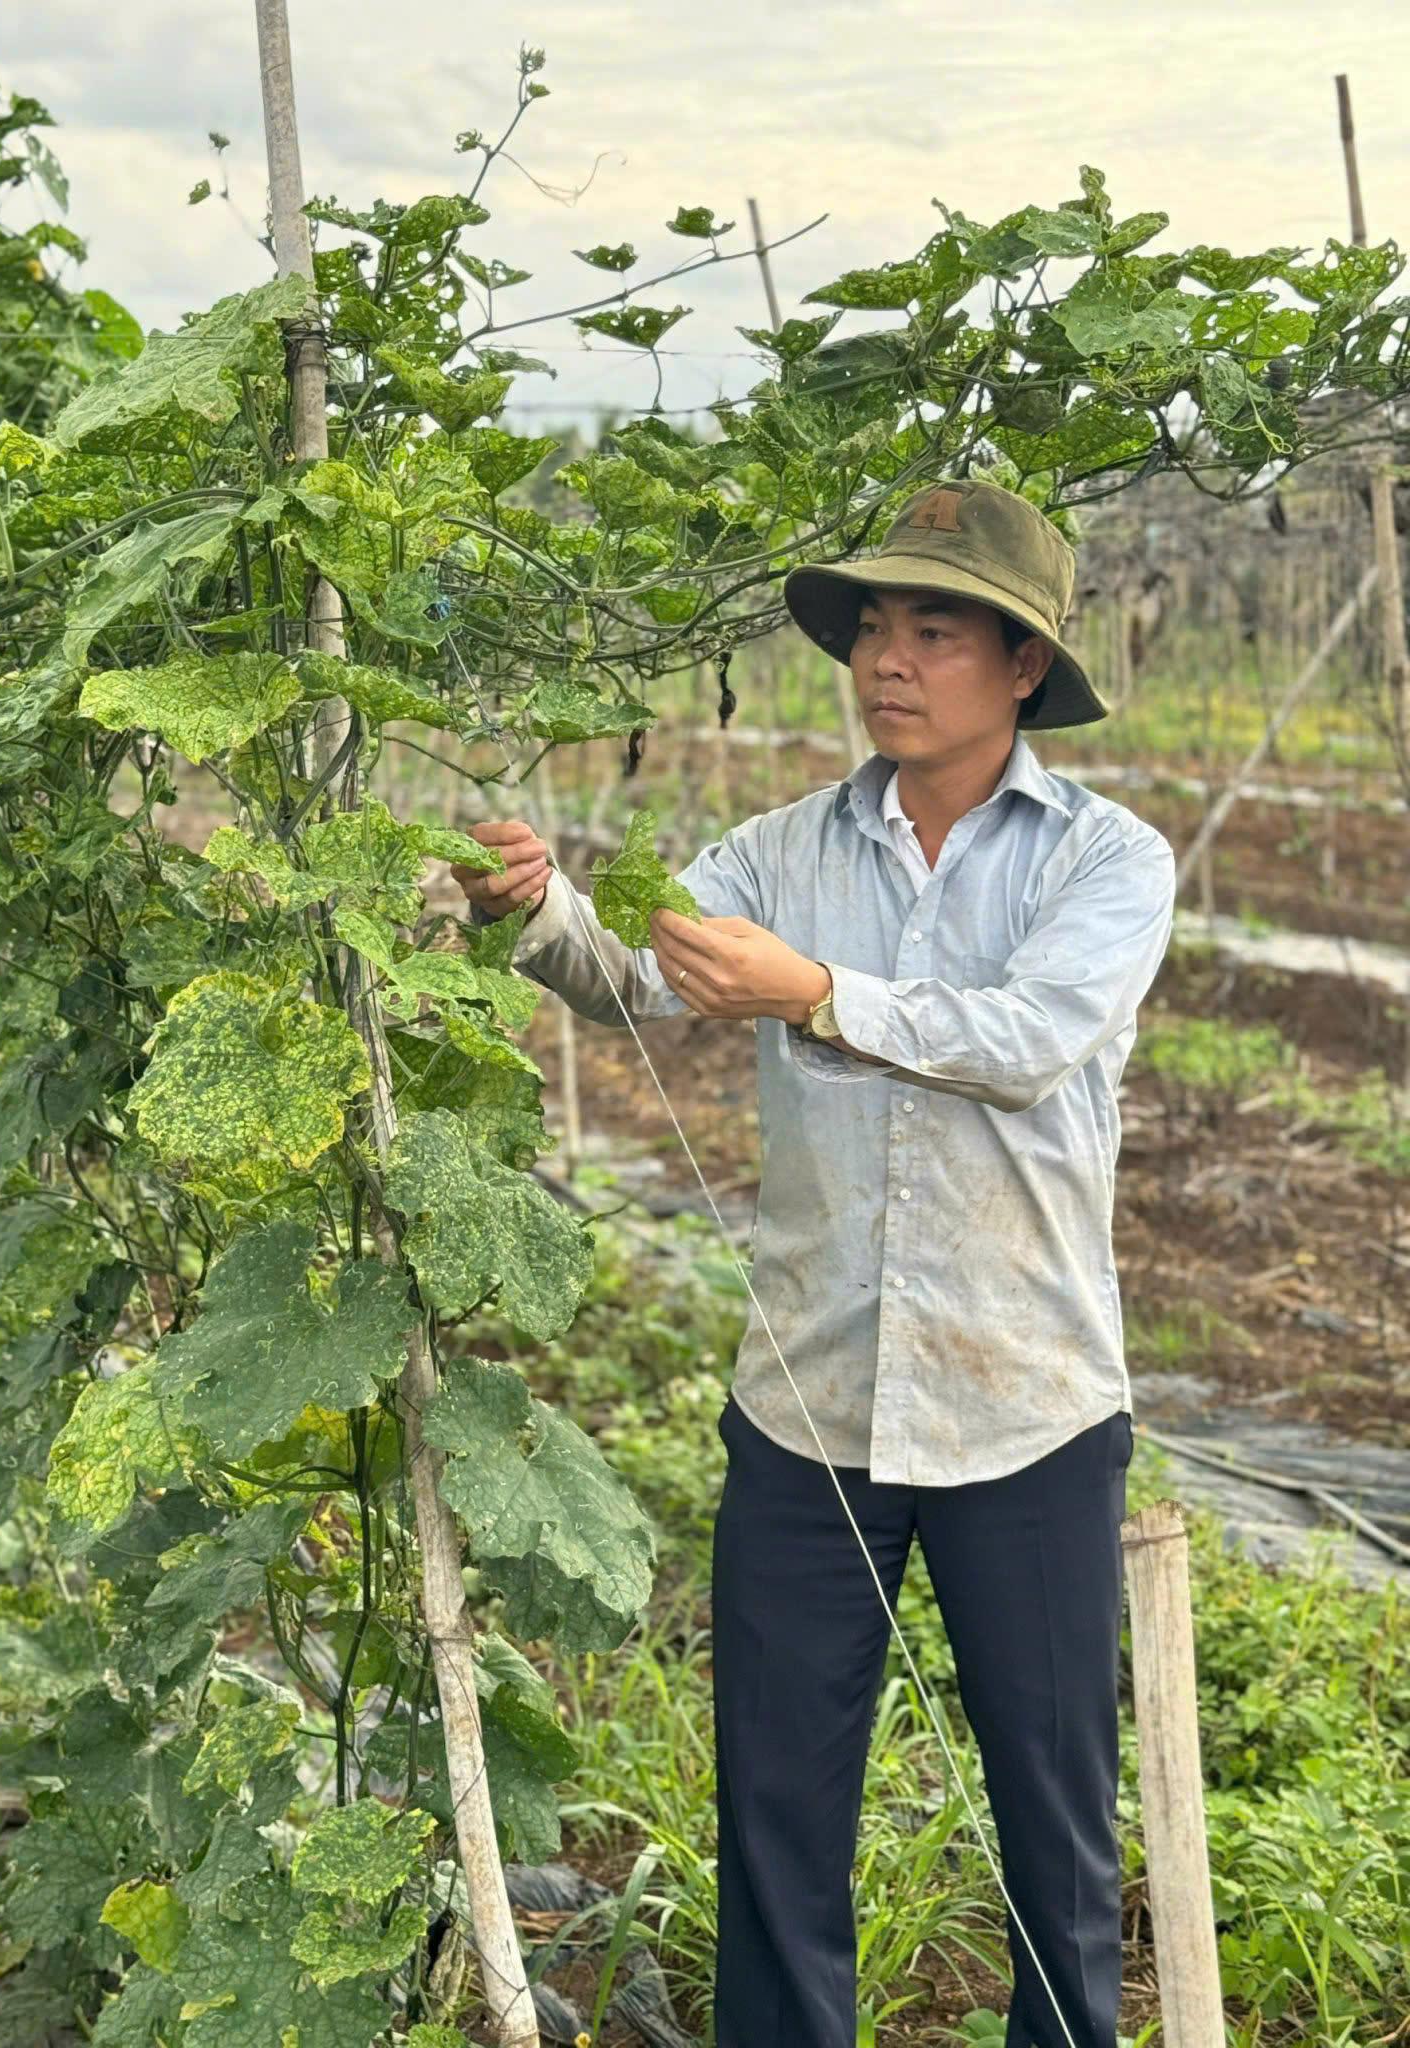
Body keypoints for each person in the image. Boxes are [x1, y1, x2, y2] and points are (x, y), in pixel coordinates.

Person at [449, 477, 1177, 2048]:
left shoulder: (1106, 862)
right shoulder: (782, 848)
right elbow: (638, 980)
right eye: (870, 628)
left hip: (1028, 1409)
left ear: (1025, 665)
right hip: (805, 1412)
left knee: (1054, 1832)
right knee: (776, 1816)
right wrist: (536, 904)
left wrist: (816, 993)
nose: (887, 660)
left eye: (933, 628)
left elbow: (1031, 1040)